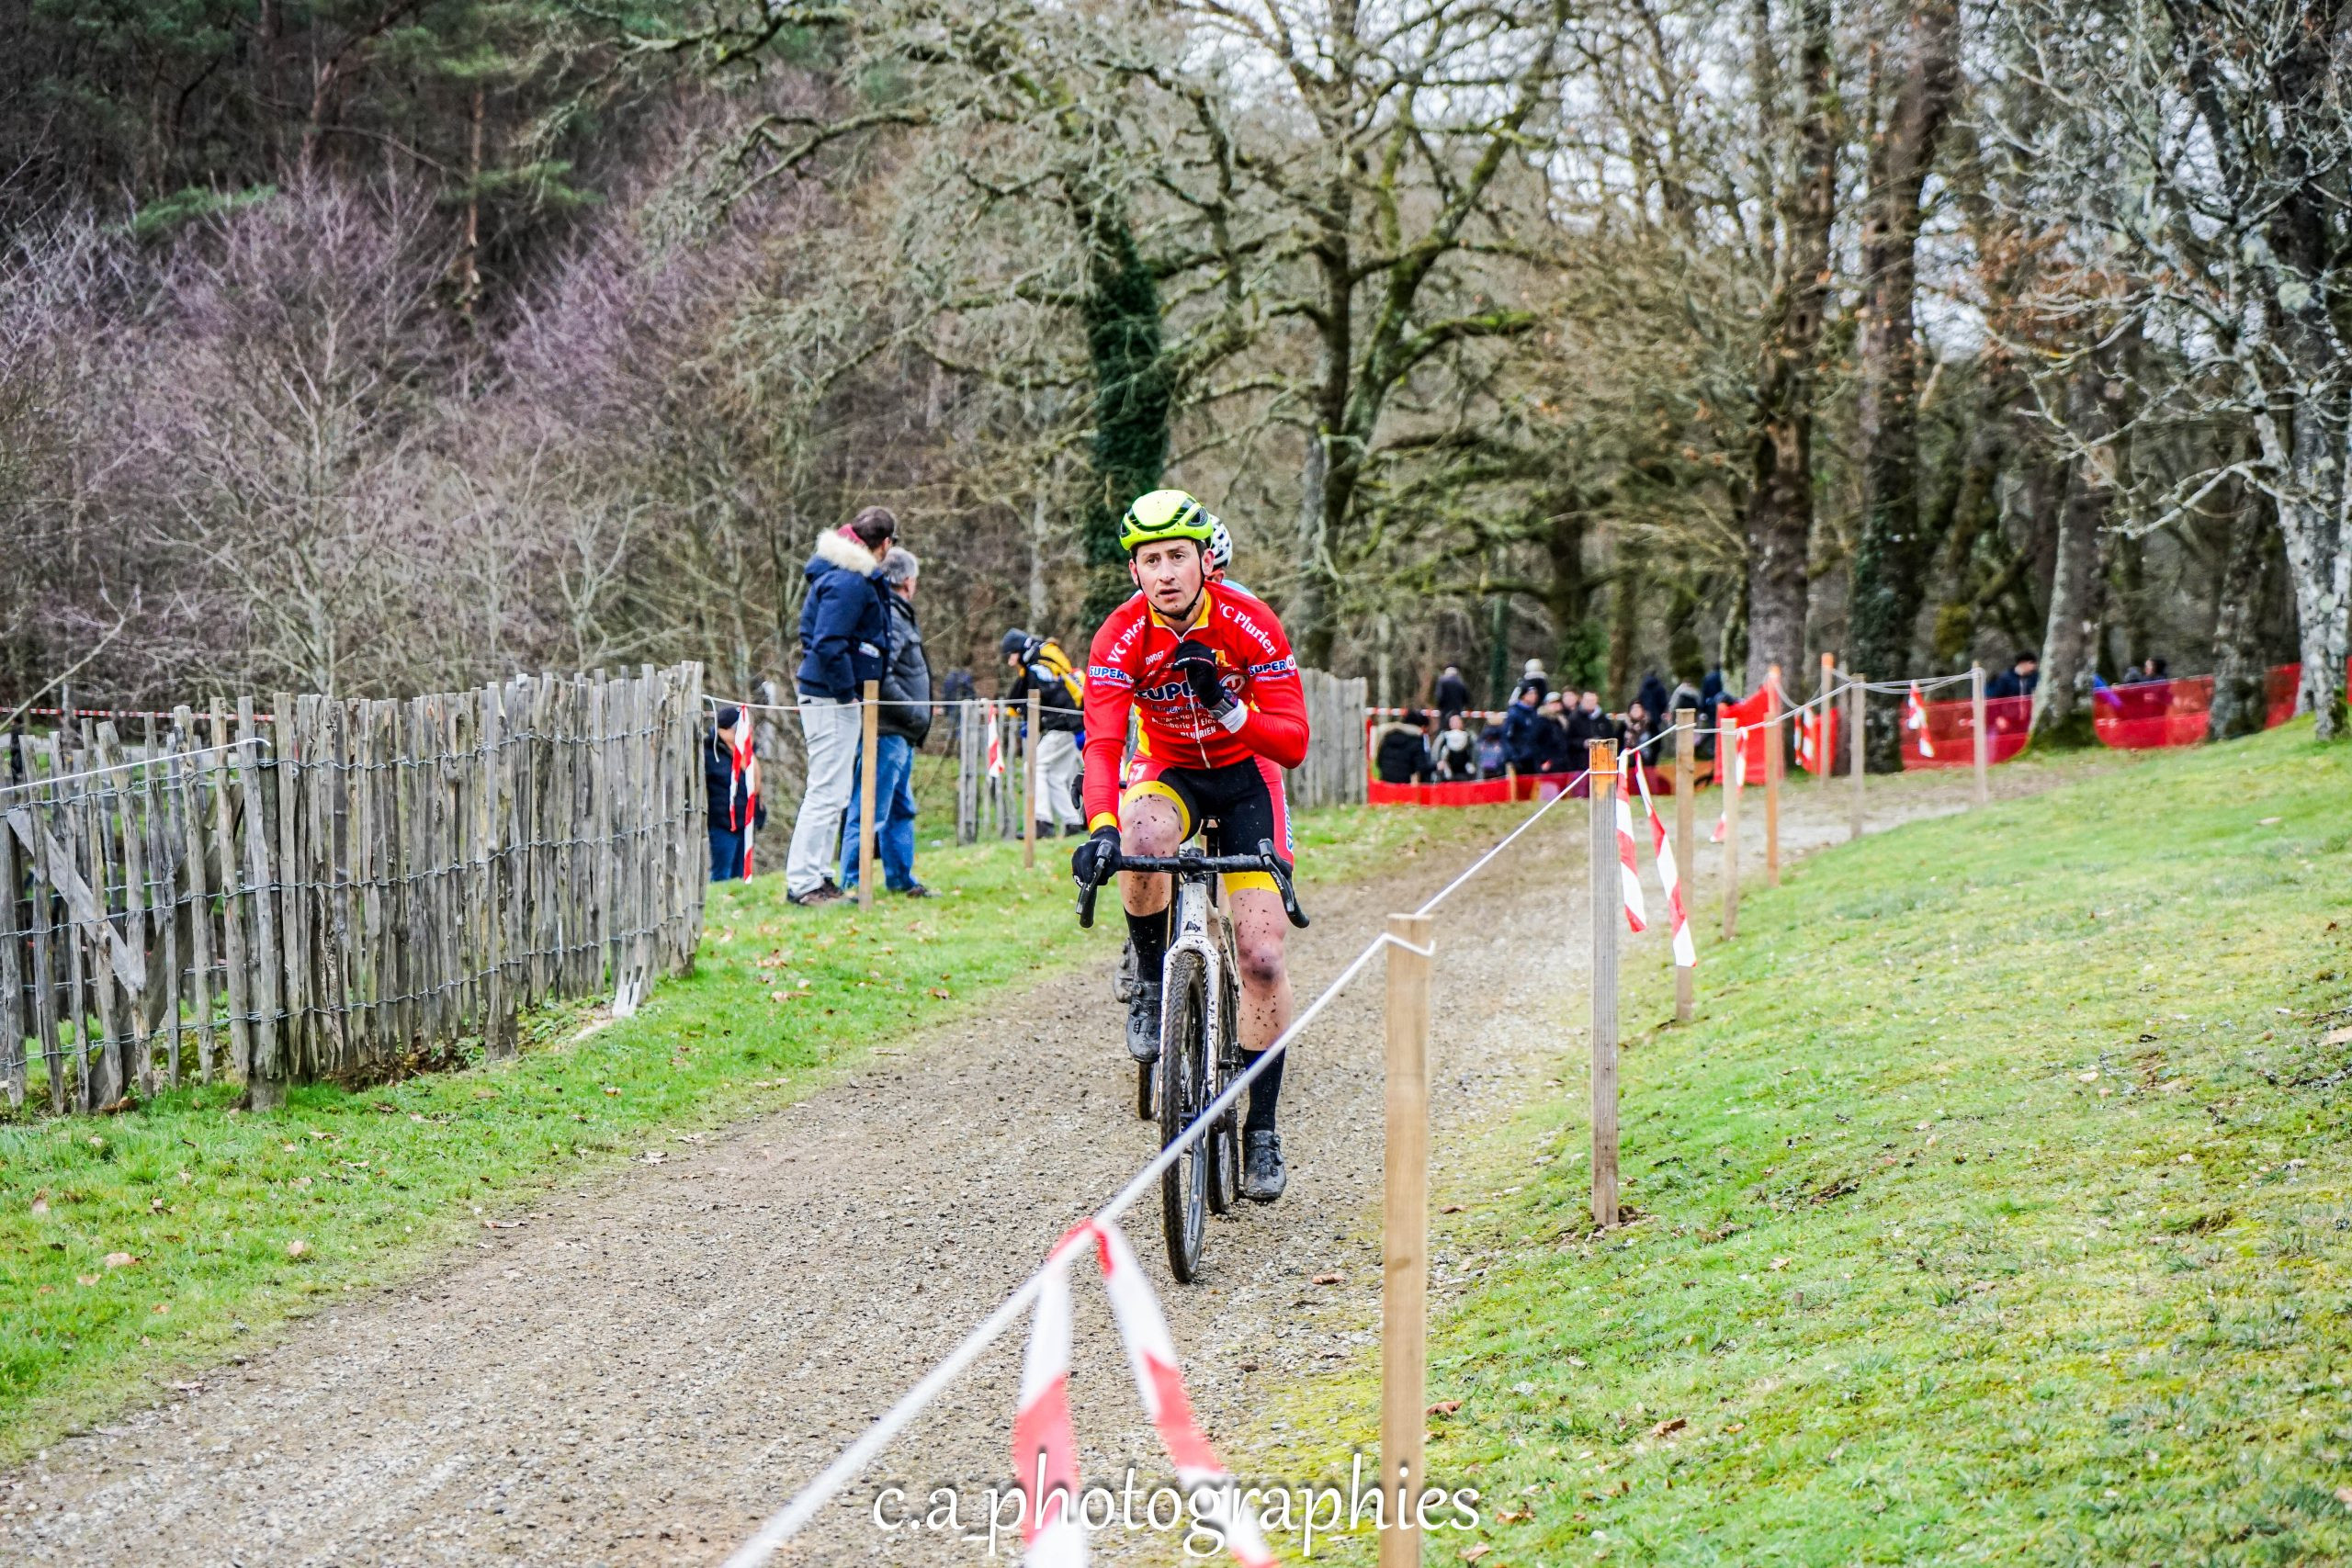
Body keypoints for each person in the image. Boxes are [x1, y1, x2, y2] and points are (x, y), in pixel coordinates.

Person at [1069, 489, 1309, 1202]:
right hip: (1169, 772)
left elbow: (1293, 742)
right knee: (1140, 836)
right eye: (1151, 561)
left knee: (1262, 956)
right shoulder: (1120, 635)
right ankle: (1152, 983)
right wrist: (1100, 827)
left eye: (1178, 556)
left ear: (1206, 559)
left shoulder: (1249, 621)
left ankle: (1261, 1127)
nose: (1166, 572)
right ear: (1135, 571)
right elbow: (1103, 743)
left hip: (1246, 780)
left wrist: (1228, 708)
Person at [786, 506, 897, 907]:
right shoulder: (849, 581)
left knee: (834, 791)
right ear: (885, 544)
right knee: (825, 790)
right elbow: (828, 642)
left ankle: (818, 875)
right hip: (831, 697)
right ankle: (803, 882)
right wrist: (847, 691)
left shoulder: (841, 574)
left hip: (832, 694)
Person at [840, 548, 937, 898]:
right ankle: (851, 883)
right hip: (888, 731)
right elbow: (881, 676)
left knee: (900, 809)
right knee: (870, 808)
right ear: (908, 581)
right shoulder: (892, 616)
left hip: (901, 733)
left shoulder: (897, 612)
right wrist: (914, 712)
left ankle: (901, 878)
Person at [1003, 627, 1088, 837]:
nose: (1010, 662)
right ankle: (1072, 822)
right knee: (1056, 776)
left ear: (1018, 651)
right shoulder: (1041, 661)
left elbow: (1060, 697)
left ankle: (1042, 822)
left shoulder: (1038, 668)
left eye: (1010, 655)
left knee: (1033, 766)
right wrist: (1032, 723)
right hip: (1068, 725)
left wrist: (1078, 729)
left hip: (1063, 727)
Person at [705, 705, 762, 881]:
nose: (747, 731)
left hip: (745, 822)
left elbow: (754, 788)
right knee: (722, 875)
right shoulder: (710, 753)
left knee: (741, 875)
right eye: (739, 727)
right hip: (722, 824)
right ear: (725, 730)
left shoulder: (747, 753)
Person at [1374, 710, 1432, 784]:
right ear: (1421, 726)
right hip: (1404, 786)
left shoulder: (1388, 737)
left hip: (1385, 784)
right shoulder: (1416, 741)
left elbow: (1379, 761)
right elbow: (1421, 767)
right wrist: (1435, 766)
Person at [1501, 683, 1543, 773]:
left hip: (1533, 759)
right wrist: (1513, 757)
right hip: (1520, 760)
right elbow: (1506, 737)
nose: (1534, 696)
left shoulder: (1534, 713)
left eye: (1535, 693)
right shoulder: (1514, 713)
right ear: (1523, 695)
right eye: (1531, 693)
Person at [1431, 710, 1476, 780]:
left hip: (1466, 772)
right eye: (1453, 721)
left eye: (1457, 721)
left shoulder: (1469, 736)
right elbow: (1436, 752)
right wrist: (1438, 763)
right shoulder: (1443, 737)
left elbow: (1475, 752)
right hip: (1447, 773)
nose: (1455, 723)